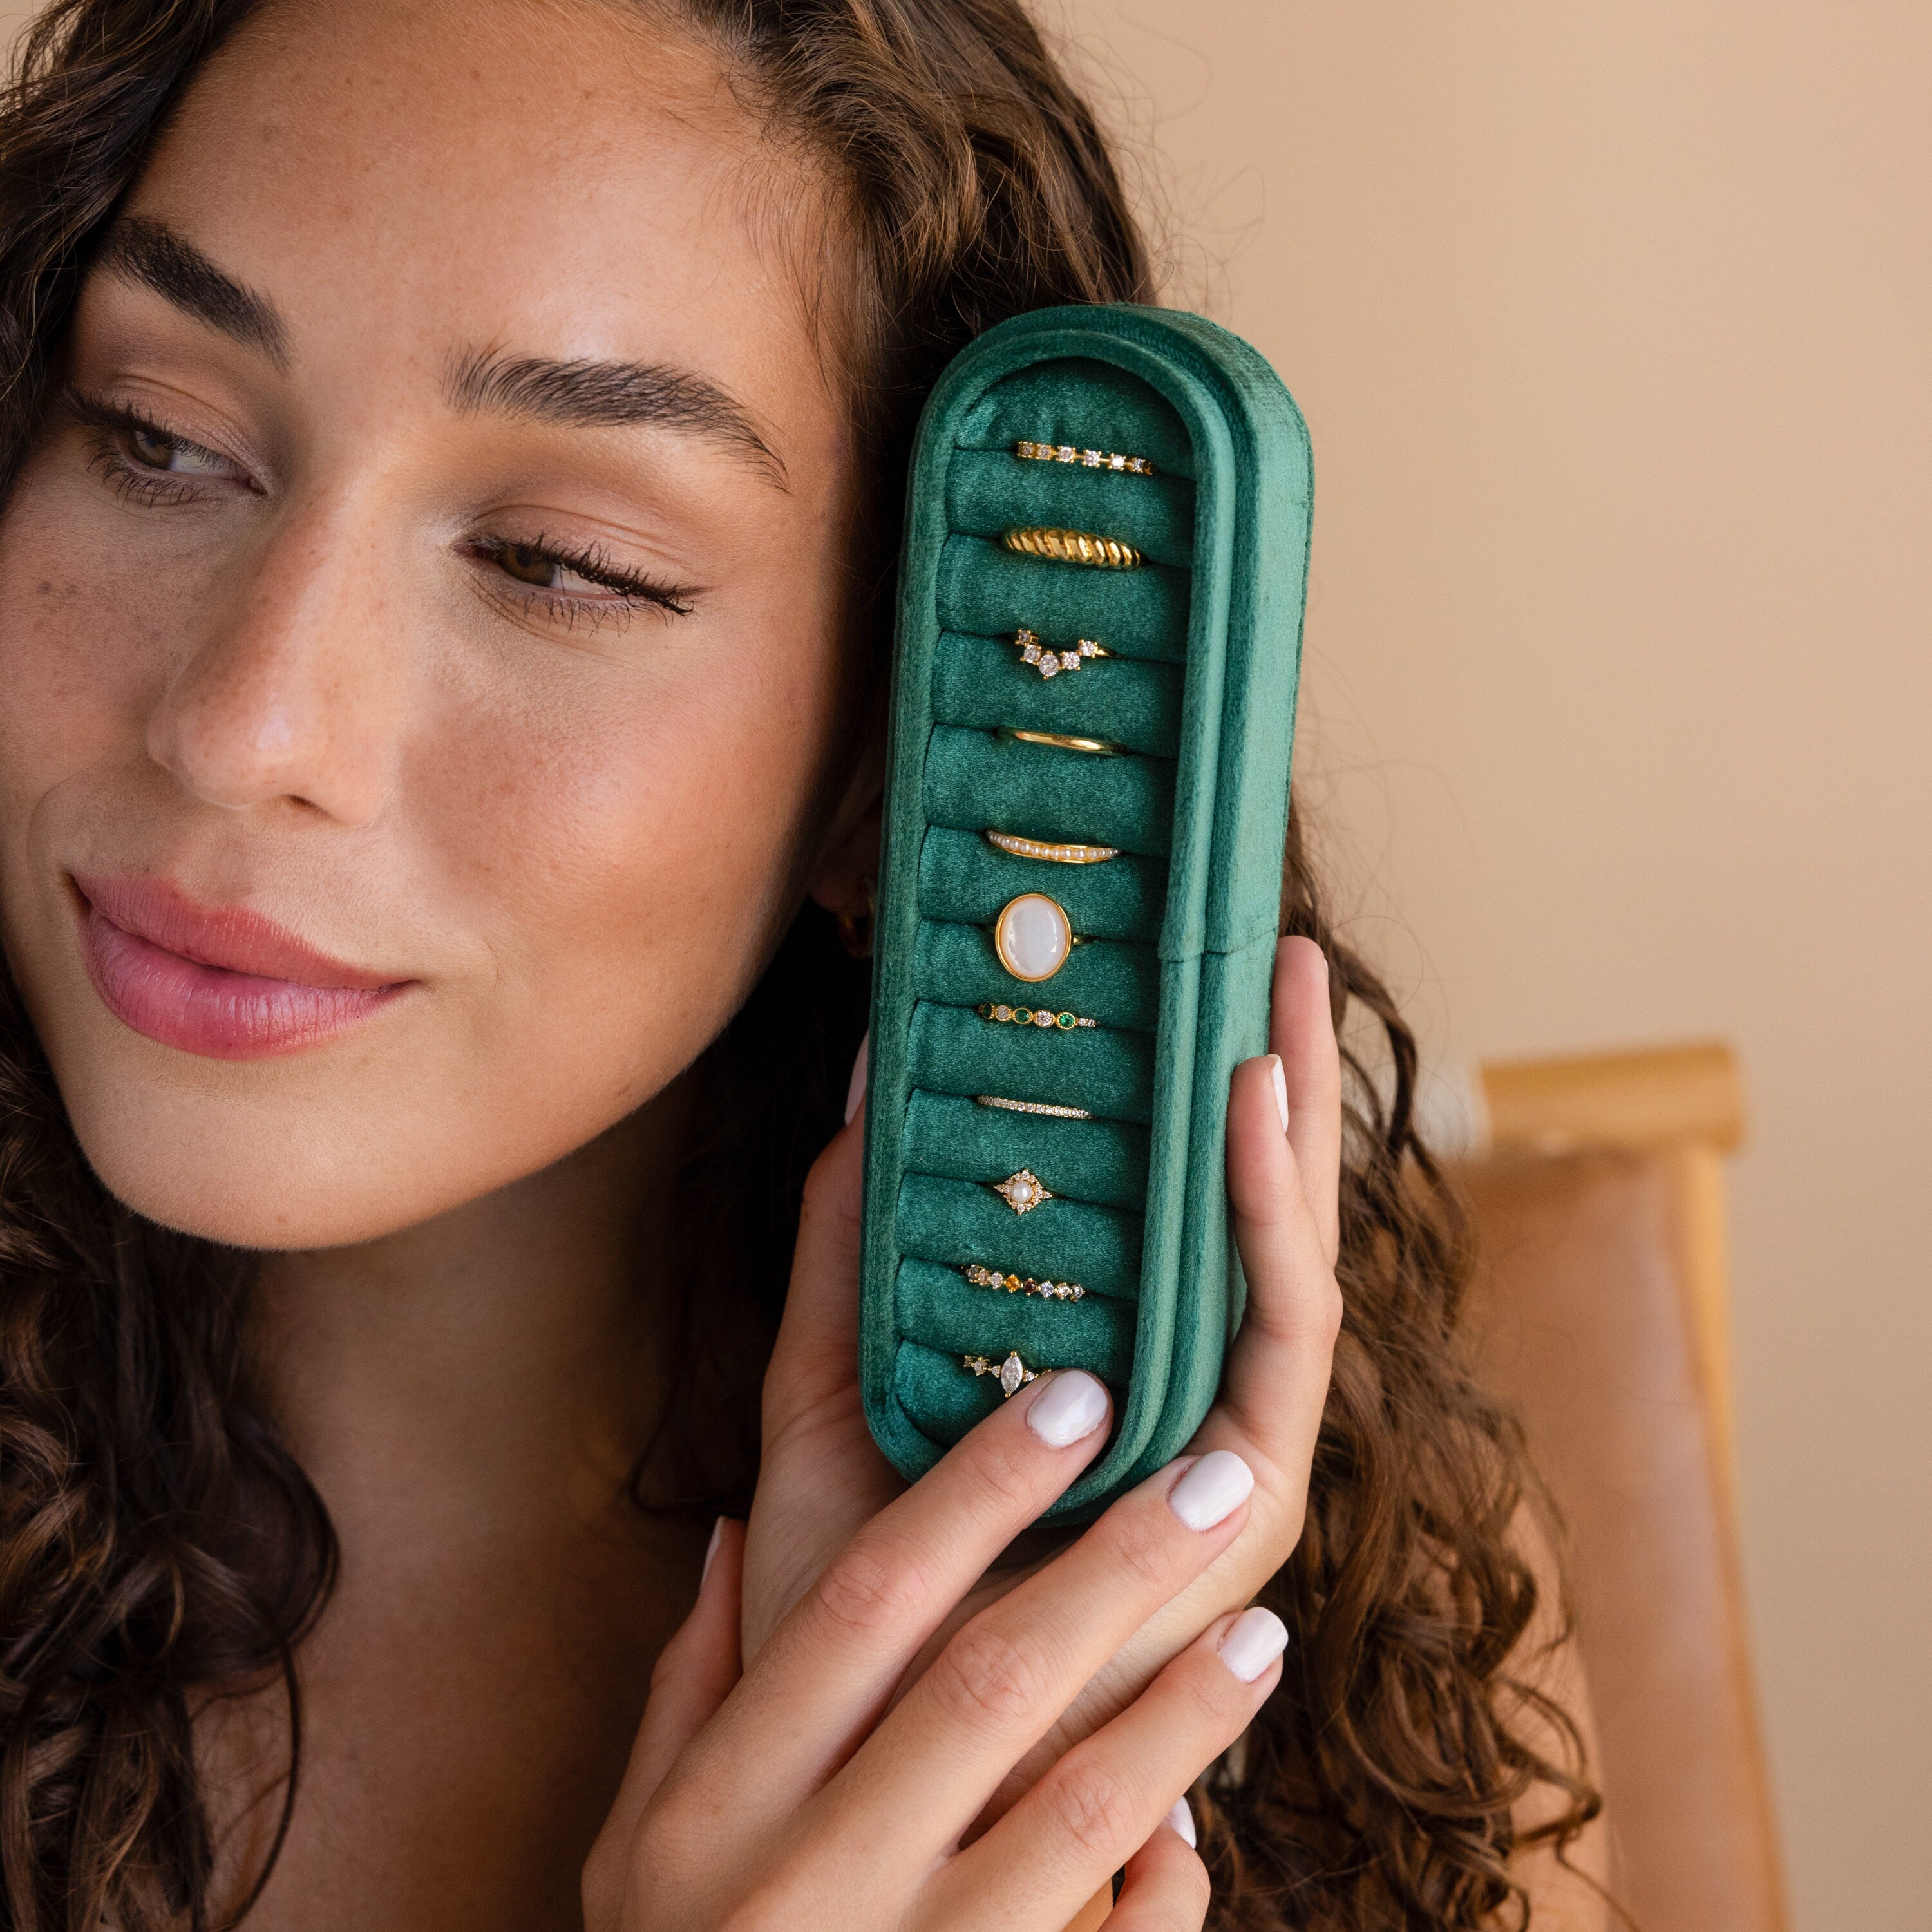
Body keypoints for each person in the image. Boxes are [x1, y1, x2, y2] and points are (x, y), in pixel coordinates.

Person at [0, 2, 1607, 1927]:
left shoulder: (1318, 1618)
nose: (245, 722)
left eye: (561, 561)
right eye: (158, 440)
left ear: (905, 757)